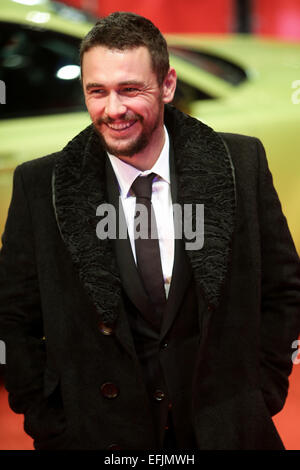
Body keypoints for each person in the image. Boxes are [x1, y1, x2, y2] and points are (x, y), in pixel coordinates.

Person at [0, 12, 300, 451]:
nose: (113, 109)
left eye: (130, 89)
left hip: (223, 430)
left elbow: (283, 289)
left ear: (167, 85)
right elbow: (12, 318)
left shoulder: (240, 164)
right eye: (97, 91)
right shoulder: (39, 186)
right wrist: (50, 419)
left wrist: (262, 390)